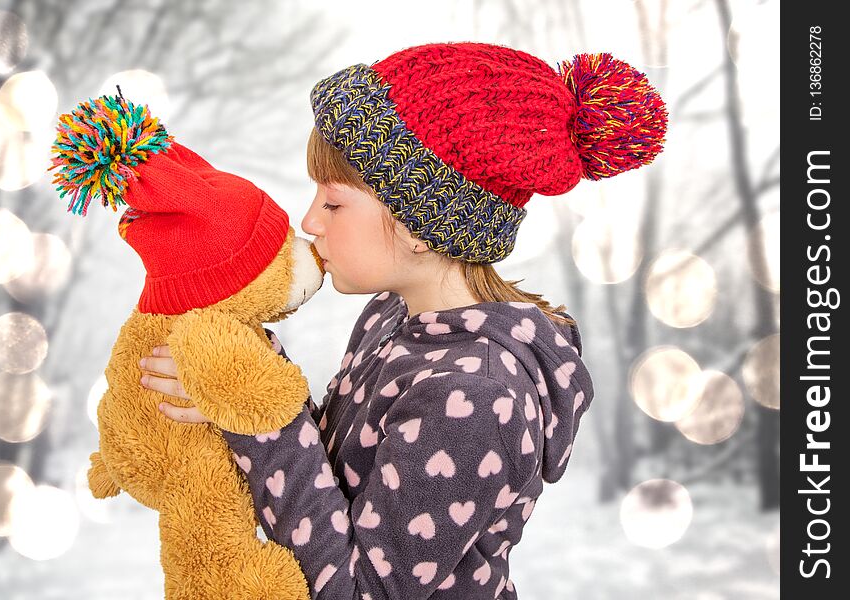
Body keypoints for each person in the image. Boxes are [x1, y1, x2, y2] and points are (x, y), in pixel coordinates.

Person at [139, 42, 667, 599]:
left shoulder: (475, 393)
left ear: (421, 225)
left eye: (334, 202)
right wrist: (247, 388)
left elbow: (360, 592)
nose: (309, 220)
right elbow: (335, 483)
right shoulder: (392, 319)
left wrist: (264, 418)